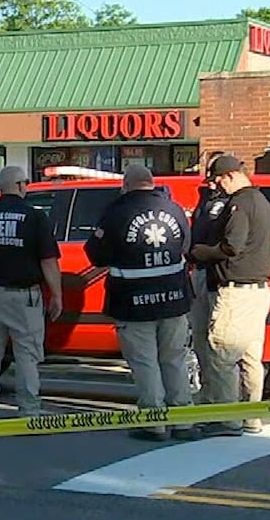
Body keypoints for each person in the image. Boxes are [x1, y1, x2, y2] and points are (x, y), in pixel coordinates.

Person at [83, 165, 197, 442]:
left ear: (126, 185)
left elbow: (96, 254)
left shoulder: (116, 212)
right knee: (174, 359)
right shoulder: (175, 209)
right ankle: (183, 421)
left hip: (133, 301)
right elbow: (185, 246)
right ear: (151, 182)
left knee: (145, 362)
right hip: (174, 298)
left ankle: (154, 422)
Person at [0, 164, 62, 420]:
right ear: (19, 185)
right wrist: (57, 294)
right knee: (27, 356)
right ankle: (29, 411)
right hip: (24, 298)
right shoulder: (35, 217)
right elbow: (48, 261)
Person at [190, 155, 270, 437]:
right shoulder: (263, 203)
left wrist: (201, 252)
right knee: (251, 358)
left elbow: (232, 246)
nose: (217, 186)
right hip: (259, 291)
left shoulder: (239, 204)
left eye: (217, 180)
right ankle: (251, 417)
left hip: (236, 292)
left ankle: (226, 420)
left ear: (228, 176)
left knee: (222, 356)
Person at [187, 154, 232, 402]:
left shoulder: (233, 202)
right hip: (201, 272)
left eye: (215, 174)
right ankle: (206, 394)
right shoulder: (205, 199)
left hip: (221, 277)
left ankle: (223, 401)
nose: (211, 179)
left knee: (221, 343)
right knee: (201, 337)